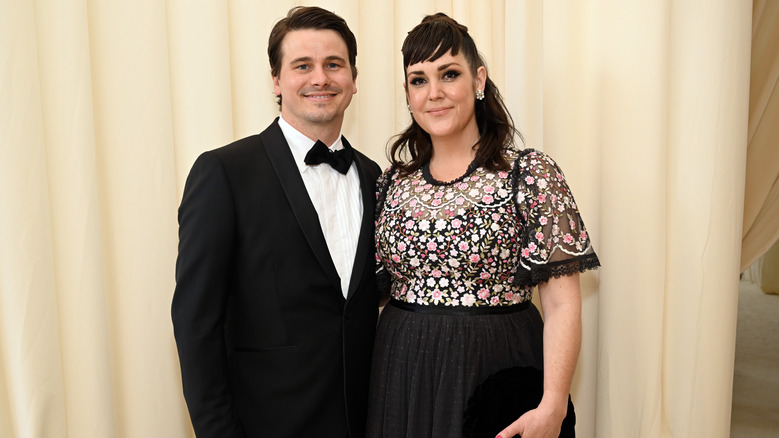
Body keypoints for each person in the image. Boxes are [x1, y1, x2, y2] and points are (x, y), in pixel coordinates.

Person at [367, 13, 600, 438]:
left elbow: (563, 305)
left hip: (495, 371)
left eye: (448, 74)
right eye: (418, 80)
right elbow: (373, 296)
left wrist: (553, 406)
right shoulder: (390, 183)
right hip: (402, 374)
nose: (433, 93)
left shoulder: (529, 175)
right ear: (406, 93)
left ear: (478, 79)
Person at [171, 6, 381, 438]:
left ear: (353, 80)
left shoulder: (375, 176)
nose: (319, 78)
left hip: (368, 422)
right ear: (276, 79)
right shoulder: (224, 173)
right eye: (302, 65)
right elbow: (196, 324)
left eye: (333, 65)